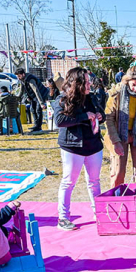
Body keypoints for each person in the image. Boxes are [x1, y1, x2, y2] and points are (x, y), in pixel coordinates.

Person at [53, 67, 105, 231]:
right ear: (77, 83)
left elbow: (100, 112)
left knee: (94, 182)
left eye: (90, 81)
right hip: (73, 147)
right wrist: (84, 117)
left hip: (94, 145)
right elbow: (60, 120)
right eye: (86, 82)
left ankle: (99, 213)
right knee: (69, 182)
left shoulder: (92, 97)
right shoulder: (63, 99)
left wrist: (99, 116)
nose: (90, 84)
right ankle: (63, 218)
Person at [15, 67, 49, 133]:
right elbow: (22, 90)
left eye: (19, 76)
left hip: (41, 94)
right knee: (32, 109)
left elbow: (36, 91)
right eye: (17, 76)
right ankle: (35, 125)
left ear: (23, 74)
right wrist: (17, 97)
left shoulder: (30, 80)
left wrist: (42, 103)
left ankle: (39, 126)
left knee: (38, 110)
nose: (18, 78)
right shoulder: (22, 80)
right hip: (33, 96)